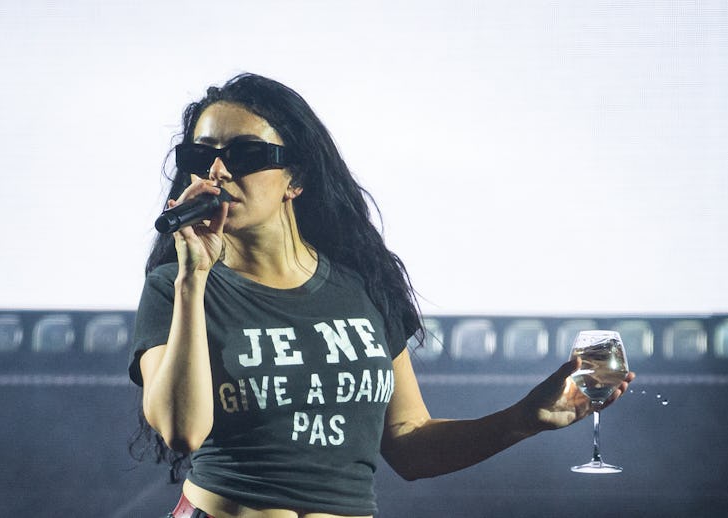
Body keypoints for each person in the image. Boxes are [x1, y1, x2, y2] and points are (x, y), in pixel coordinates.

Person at [128, 73, 634, 518]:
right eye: (201, 156)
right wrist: (193, 276)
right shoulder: (176, 289)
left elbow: (411, 446)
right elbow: (181, 431)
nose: (217, 172)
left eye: (244, 154)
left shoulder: (362, 284)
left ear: (296, 178)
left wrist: (525, 418)